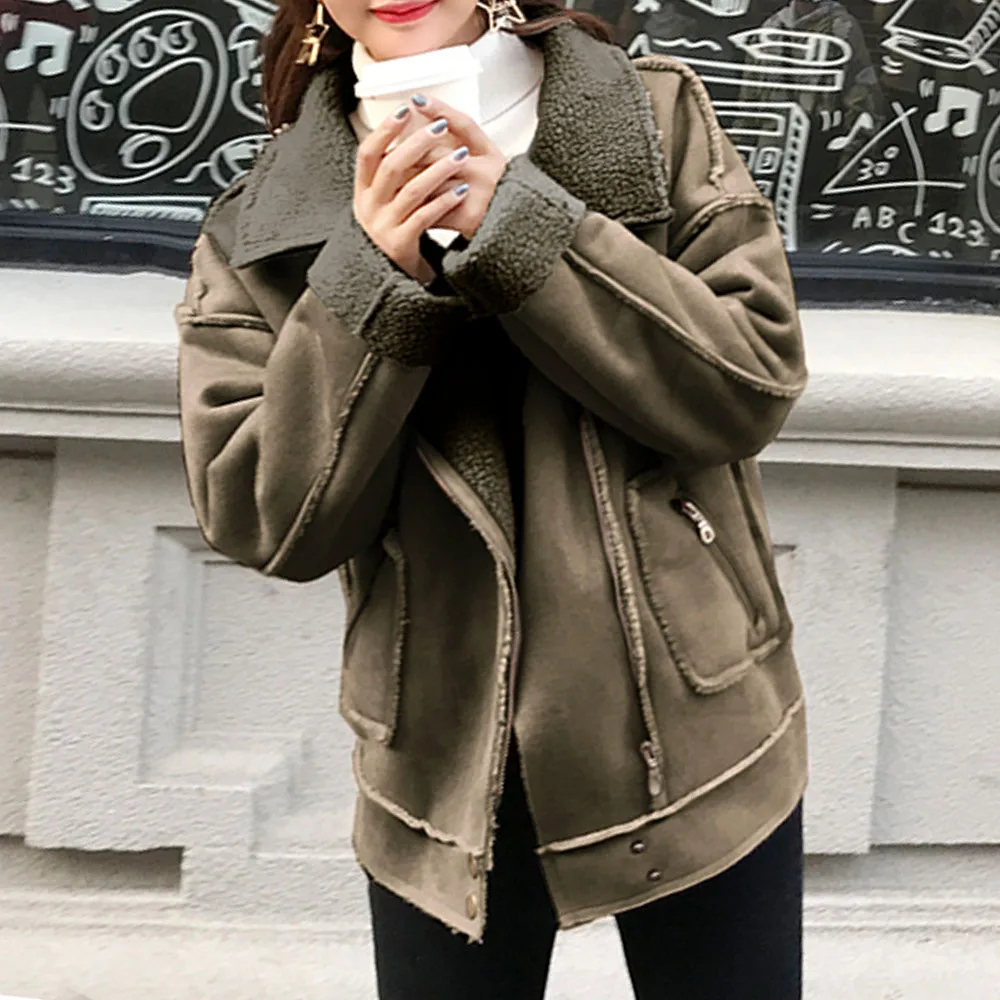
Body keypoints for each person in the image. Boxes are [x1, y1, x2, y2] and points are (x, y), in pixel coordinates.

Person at [174, 0, 810, 996]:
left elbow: (749, 386)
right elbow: (267, 520)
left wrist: (520, 226)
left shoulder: (652, 116)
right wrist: (369, 279)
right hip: (444, 762)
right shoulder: (262, 223)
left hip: (695, 731)